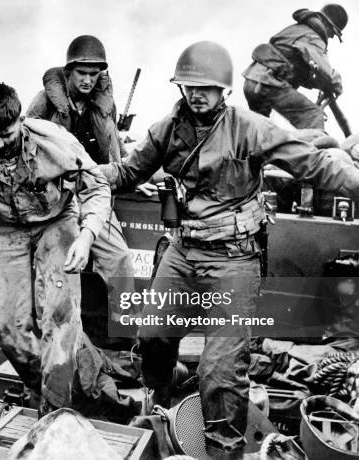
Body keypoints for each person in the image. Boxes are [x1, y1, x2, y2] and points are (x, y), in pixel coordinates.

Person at [100, 41, 359, 458]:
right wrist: (81, 172)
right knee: (152, 336)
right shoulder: (167, 129)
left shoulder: (250, 128)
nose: (196, 94)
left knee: (220, 372)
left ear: (224, 90)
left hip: (234, 259)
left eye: (205, 87)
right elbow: (128, 171)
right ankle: (162, 399)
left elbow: (313, 163)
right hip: (183, 252)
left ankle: (225, 450)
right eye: (188, 86)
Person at [0, 83, 139, 419]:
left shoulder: (56, 142)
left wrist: (86, 236)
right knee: (1, 322)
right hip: (8, 226)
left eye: (7, 133)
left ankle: (56, 412)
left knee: (59, 321)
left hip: (56, 220)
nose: (1, 142)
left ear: (21, 119)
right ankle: (67, 382)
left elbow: (95, 186)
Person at [27, 35, 135, 332]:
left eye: (94, 74)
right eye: (82, 73)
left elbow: (117, 149)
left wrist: (133, 175)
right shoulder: (43, 104)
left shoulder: (103, 105)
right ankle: (49, 332)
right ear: (68, 72)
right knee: (55, 264)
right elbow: (25, 151)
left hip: (94, 191)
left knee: (119, 258)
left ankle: (123, 333)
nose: (88, 80)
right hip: (55, 197)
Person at [243, 4, 348, 129]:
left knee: (259, 130)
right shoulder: (313, 36)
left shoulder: (297, 30)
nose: (331, 36)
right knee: (313, 115)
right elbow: (325, 69)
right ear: (325, 23)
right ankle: (311, 148)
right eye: (333, 32)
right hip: (268, 83)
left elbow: (296, 70)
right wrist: (337, 84)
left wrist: (318, 84)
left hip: (253, 81)